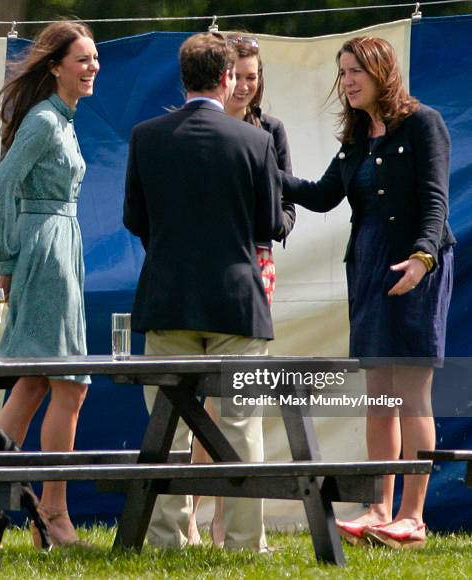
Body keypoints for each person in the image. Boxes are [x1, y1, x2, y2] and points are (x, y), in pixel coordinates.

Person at [281, 36, 455, 549]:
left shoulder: (423, 124)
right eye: (343, 73)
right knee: (379, 392)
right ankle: (379, 508)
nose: (348, 81)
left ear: (381, 70)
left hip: (416, 266)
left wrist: (423, 259)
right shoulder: (357, 137)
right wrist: (263, 170)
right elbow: (321, 195)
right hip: (369, 268)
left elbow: (435, 201)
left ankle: (413, 516)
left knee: (411, 392)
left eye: (356, 70)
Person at [124, 31, 285, 553]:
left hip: (167, 298)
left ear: (182, 78)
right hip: (236, 301)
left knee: (166, 427)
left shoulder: (146, 136)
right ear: (226, 78)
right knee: (241, 425)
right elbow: (267, 223)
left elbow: (135, 219)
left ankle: (165, 539)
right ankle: (242, 542)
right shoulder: (256, 142)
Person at [0, 20, 99, 548]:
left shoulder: (62, 119)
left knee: (32, 382)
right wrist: (6, 258)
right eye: (82, 59)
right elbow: (0, 187)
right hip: (45, 252)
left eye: (95, 59)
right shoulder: (45, 123)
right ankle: (51, 512)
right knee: (68, 384)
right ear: (55, 66)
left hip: (58, 246)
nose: (92, 66)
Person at [187, 33, 296, 547]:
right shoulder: (189, 127)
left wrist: (276, 226)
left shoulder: (270, 130)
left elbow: (287, 206)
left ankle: (225, 519)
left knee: (238, 399)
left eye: (255, 78)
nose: (246, 87)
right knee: (197, 405)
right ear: (223, 75)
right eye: (240, 76)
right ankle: (189, 510)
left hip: (255, 263)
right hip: (201, 270)